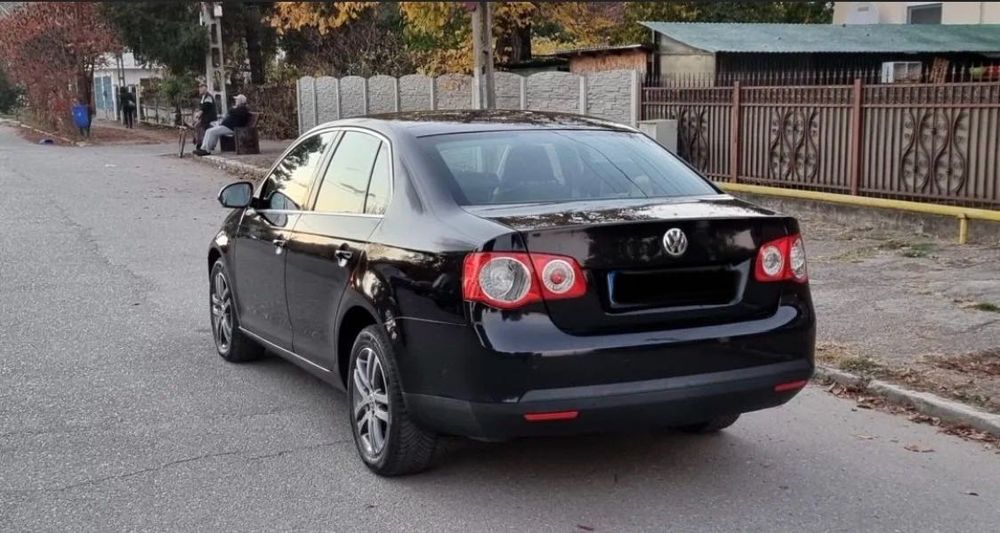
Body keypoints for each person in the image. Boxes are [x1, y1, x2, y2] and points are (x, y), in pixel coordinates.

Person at [193, 82, 216, 147]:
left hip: (209, 118)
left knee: (199, 126)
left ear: (205, 89)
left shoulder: (208, 97)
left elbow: (204, 108)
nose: (199, 89)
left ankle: (201, 143)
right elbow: (200, 107)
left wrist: (198, 115)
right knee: (196, 125)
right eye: (199, 88)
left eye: (201, 88)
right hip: (205, 117)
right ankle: (198, 141)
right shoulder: (203, 97)